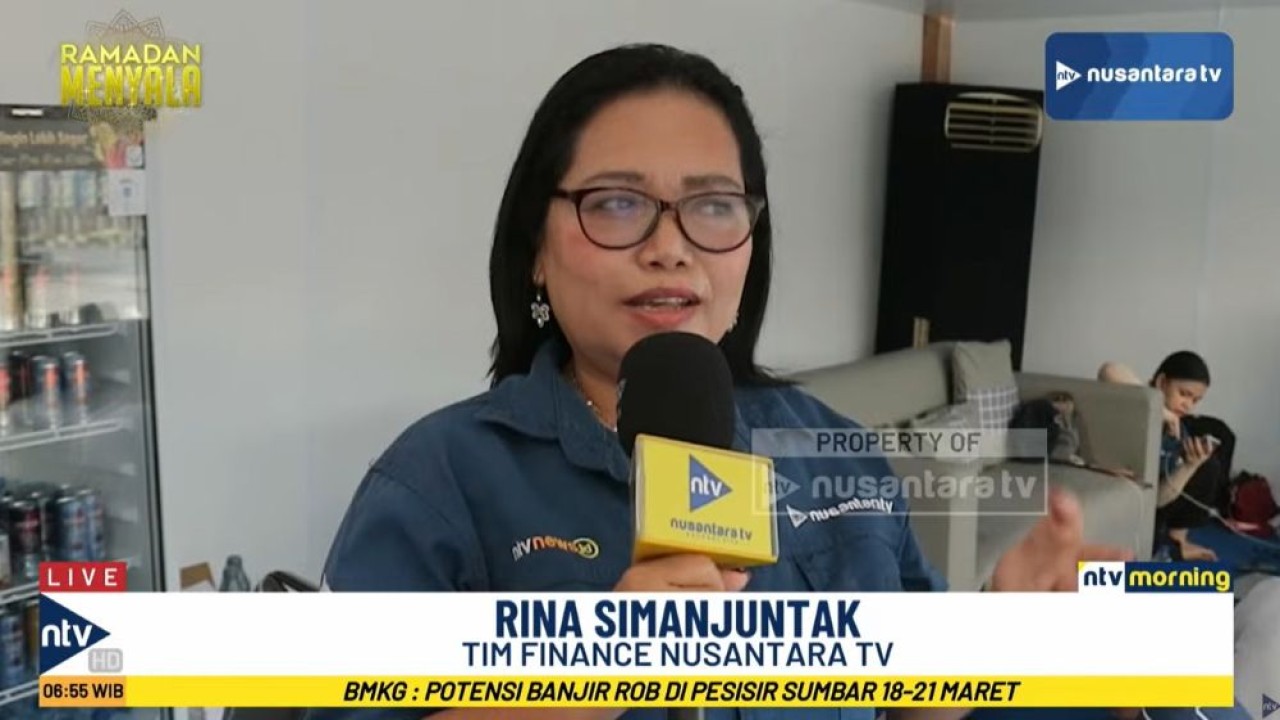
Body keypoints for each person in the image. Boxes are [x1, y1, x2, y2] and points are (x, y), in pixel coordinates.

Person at [312, 44, 1246, 720]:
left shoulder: (830, 446)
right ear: (534, 250)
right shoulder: (441, 478)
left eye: (713, 205)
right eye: (618, 203)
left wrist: (998, 635)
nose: (671, 246)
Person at [1099, 353, 1280, 575]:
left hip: (1139, 501)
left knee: (1208, 466)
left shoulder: (1176, 431)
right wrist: (1158, 409)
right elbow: (1109, 370)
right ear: (1161, 382)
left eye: (1195, 400)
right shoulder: (1135, 401)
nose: (1188, 405)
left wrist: (1189, 466)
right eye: (1184, 394)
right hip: (1109, 486)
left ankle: (1176, 543)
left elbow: (1158, 499)